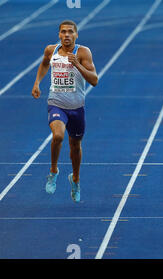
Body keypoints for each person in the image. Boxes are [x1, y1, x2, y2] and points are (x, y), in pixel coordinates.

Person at [32, 20, 98, 202]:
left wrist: (77, 64)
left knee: (75, 146)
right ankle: (53, 171)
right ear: (59, 35)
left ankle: (75, 179)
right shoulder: (50, 50)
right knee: (58, 136)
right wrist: (37, 82)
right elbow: (45, 63)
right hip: (56, 103)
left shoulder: (83, 53)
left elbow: (94, 80)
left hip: (76, 107)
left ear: (76, 35)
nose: (67, 35)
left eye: (70, 32)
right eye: (63, 32)